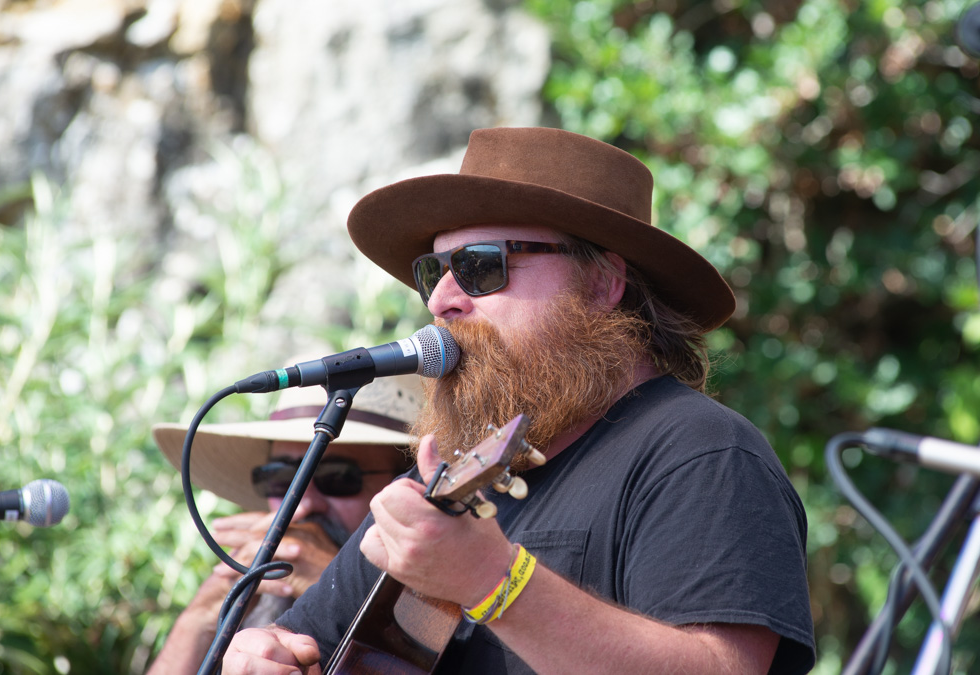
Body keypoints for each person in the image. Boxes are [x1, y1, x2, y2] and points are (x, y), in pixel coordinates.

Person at [221, 127, 816, 674]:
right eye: (434, 273)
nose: (441, 301)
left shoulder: (701, 451)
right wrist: (264, 656)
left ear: (604, 282)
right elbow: (314, 646)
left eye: (481, 267)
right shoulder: (455, 475)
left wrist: (494, 580)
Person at [147, 368, 421, 675]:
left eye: (338, 478)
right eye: (280, 479)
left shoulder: (437, 604)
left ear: (404, 483)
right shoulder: (251, 582)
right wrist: (202, 616)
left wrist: (338, 587)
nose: (302, 505)